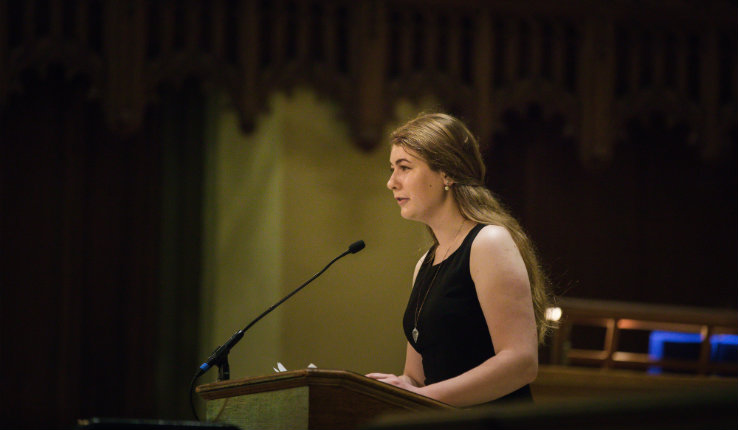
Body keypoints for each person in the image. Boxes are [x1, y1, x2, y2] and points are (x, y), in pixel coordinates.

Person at [366, 113, 552, 407]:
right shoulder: (426, 262)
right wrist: (401, 386)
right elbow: (417, 376)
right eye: (392, 169)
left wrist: (422, 395)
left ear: (447, 173)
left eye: (404, 168)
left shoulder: (489, 242)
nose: (392, 182)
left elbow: (521, 362)